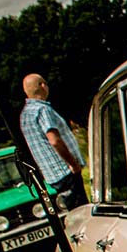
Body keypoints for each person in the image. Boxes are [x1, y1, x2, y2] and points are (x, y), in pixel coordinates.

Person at [19, 74, 86, 208]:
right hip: (65, 170)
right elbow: (54, 140)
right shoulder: (42, 109)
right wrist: (73, 164)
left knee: (72, 209)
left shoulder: (25, 114)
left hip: (51, 174)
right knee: (81, 210)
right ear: (42, 85)